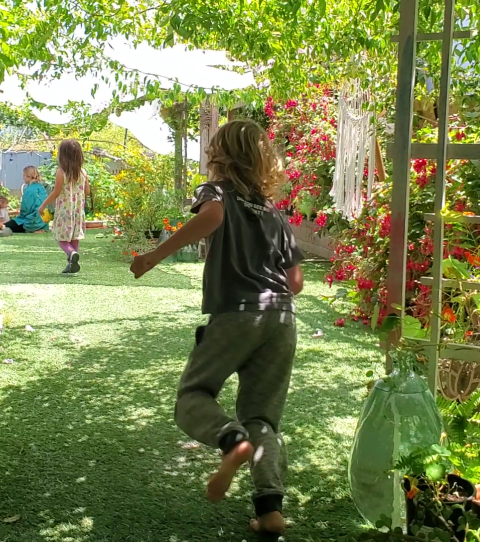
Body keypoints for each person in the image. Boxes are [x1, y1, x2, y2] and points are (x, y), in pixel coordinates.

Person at [130, 119, 304, 536]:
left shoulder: (218, 192)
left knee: (193, 395)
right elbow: (296, 282)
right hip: (281, 319)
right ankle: (270, 511)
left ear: (219, 156)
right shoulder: (276, 215)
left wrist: (154, 256)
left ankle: (231, 441)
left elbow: (210, 217)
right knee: (263, 417)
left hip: (235, 315)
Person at [39, 139, 89, 274]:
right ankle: (72, 263)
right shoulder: (83, 172)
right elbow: (87, 191)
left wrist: (43, 205)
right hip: (78, 212)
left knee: (61, 238)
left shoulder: (61, 172)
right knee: (74, 237)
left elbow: (56, 192)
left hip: (64, 211)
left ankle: (71, 253)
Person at [4, 166, 48, 233]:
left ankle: (33, 229)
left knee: (5, 226)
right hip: (44, 221)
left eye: (24, 175)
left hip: (32, 221)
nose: (23, 178)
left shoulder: (29, 190)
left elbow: (25, 210)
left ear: (29, 176)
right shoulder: (41, 188)